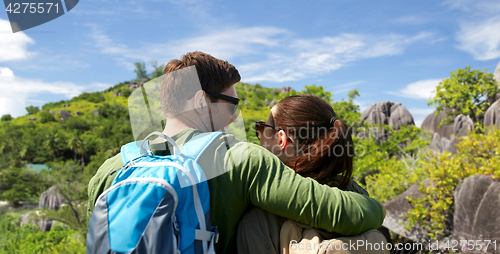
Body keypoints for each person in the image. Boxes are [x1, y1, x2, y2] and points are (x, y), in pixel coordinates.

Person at [87, 51, 385, 254]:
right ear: (201, 102)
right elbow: (341, 213)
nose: (233, 118)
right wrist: (379, 209)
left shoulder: (109, 171)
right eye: (231, 106)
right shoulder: (239, 159)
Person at [237, 94, 384, 254]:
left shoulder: (258, 220)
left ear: (281, 139)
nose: (259, 136)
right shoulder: (358, 197)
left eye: (261, 127)